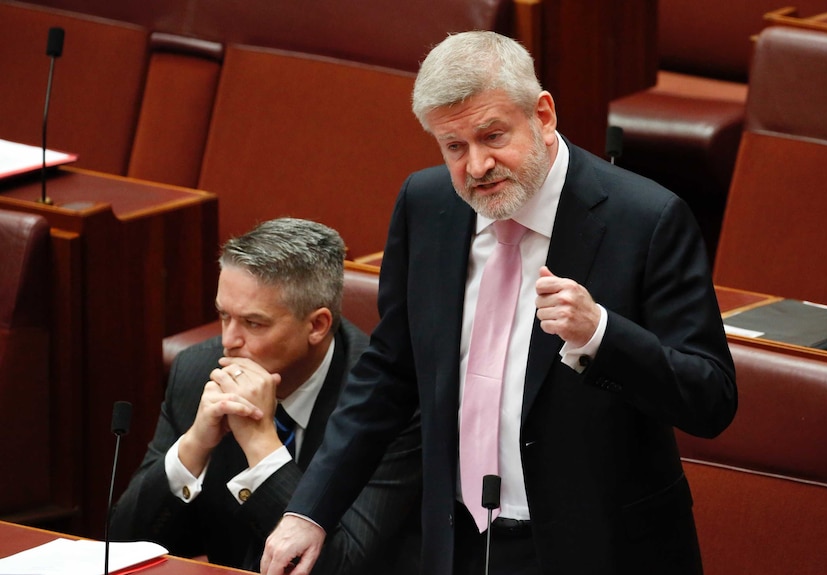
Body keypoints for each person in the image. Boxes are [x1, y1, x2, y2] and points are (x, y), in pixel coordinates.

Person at [261, 31, 737, 575]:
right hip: (458, 540)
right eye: (454, 147)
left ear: (543, 114)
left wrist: (600, 335)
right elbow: (390, 372)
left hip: (601, 548)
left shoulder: (646, 219)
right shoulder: (427, 204)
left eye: (492, 135)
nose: (478, 165)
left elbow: (711, 398)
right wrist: (312, 510)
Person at [110, 218, 421, 573]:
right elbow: (123, 546)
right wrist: (194, 446)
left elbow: (339, 567)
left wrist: (262, 447)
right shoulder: (198, 372)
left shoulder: (389, 402)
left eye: (254, 323)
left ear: (317, 326)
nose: (229, 340)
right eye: (224, 315)